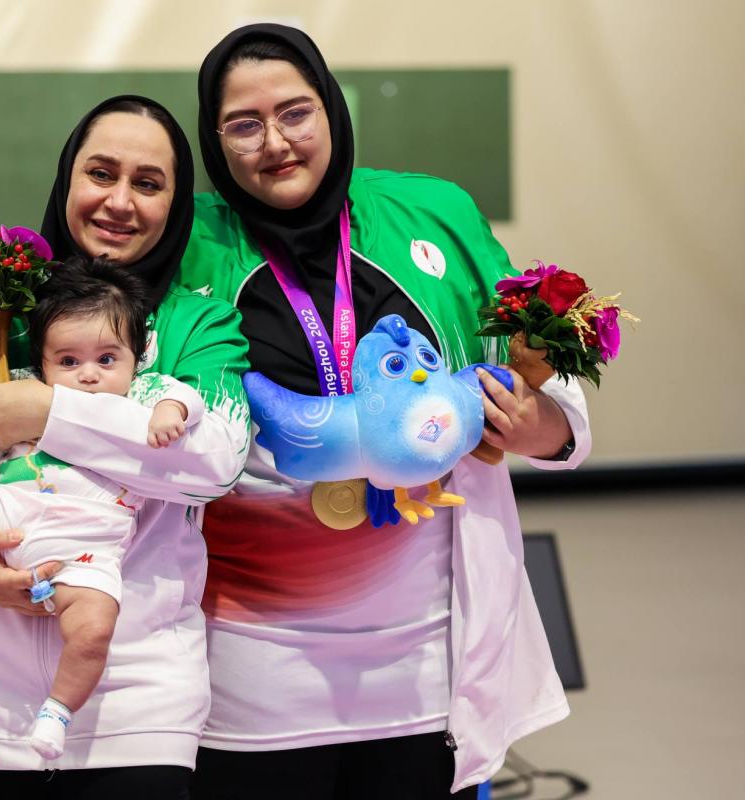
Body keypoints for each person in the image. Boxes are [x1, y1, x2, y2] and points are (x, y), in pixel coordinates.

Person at [175, 24, 592, 799]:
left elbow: (538, 372)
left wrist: (546, 424)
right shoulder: (190, 242)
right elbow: (70, 283)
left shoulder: (430, 212)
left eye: (295, 112)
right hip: (250, 664)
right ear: (214, 138)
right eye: (243, 124)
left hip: (425, 663)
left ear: (332, 108)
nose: (275, 142)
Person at [0, 96, 250, 799]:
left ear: (175, 203)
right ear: (67, 178)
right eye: (100, 173)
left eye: (149, 183)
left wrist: (50, 411)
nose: (120, 202)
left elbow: (214, 462)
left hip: (137, 697)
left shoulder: (199, 321)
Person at [0, 257, 205, 761]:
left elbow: (184, 396)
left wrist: (170, 415)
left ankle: (58, 712)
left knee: (92, 631)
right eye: (68, 362)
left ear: (137, 356)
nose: (88, 375)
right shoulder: (24, 396)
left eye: (106, 359)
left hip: (89, 547)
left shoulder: (143, 395)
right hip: (14, 512)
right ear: (42, 363)